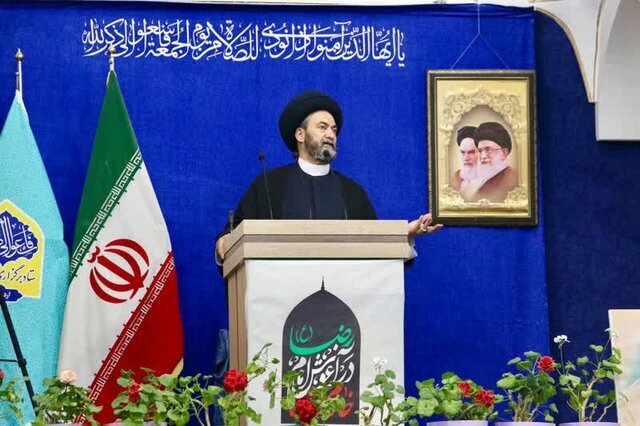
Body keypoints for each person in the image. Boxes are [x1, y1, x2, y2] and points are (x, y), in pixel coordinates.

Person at [215, 91, 442, 261]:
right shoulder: (268, 186)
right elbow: (232, 236)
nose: (331, 134)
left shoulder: (352, 193)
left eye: (334, 130)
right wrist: (224, 243)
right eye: (322, 127)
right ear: (300, 134)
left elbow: (374, 247)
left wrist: (405, 235)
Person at [472, 121, 518, 202]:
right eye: (480, 151)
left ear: (504, 152)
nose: (483, 156)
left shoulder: (510, 182)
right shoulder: (490, 179)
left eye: (488, 149)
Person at [450, 126, 482, 202]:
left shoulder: (494, 179)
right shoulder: (456, 177)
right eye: (463, 152)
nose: (466, 158)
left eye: (471, 152)